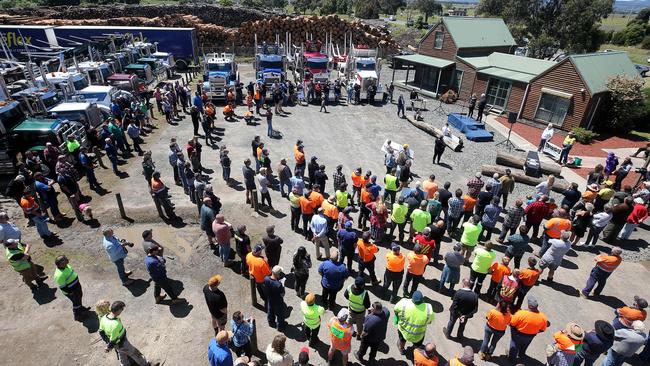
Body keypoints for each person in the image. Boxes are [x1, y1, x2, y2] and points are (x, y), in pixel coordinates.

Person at [99, 301, 150, 366]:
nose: (122, 310)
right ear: (118, 310)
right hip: (122, 343)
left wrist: (107, 341)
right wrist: (109, 347)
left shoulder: (104, 318)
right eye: (122, 309)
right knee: (135, 353)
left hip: (116, 345)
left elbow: (101, 331)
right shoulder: (115, 325)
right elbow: (113, 340)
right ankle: (146, 364)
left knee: (122, 355)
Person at [508, 295, 547, 363]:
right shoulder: (543, 317)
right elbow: (542, 329)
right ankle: (521, 354)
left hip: (518, 334)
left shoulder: (521, 313)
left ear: (529, 306)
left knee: (514, 344)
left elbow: (512, 323)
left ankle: (512, 358)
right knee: (525, 345)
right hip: (530, 335)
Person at [53, 255, 89, 321]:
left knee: (79, 298)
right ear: (61, 264)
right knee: (76, 302)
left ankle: (80, 308)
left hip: (76, 286)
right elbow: (63, 287)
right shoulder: (59, 275)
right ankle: (77, 315)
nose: (67, 259)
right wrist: (71, 293)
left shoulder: (66, 266)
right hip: (71, 291)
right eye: (65, 259)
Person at [264, 265, 287, 329]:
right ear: (278, 274)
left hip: (270, 299)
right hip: (278, 301)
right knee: (280, 314)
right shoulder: (279, 285)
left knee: (270, 311)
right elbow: (282, 295)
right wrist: (283, 285)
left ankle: (271, 323)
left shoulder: (266, 278)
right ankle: (280, 326)